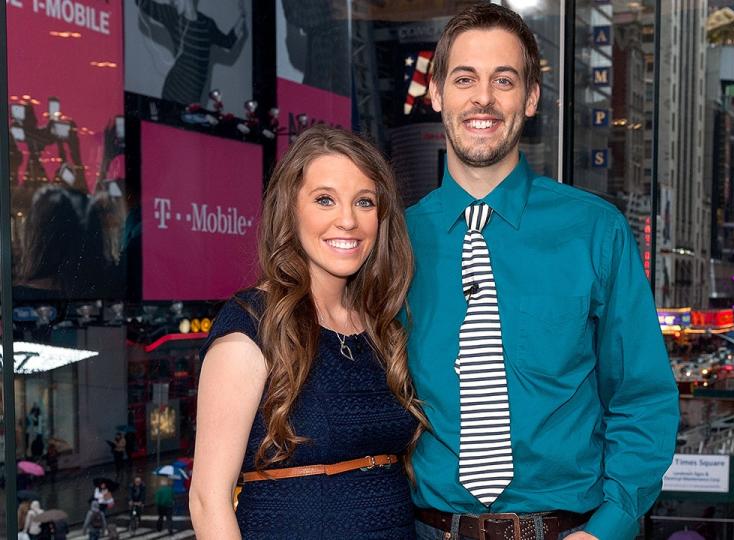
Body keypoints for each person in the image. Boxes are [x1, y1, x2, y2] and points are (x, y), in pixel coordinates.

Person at [405, 5, 680, 540]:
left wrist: (609, 528)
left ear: (530, 98)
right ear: (436, 92)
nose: (483, 98)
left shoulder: (595, 231)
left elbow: (641, 397)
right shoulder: (394, 241)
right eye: (465, 79)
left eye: (503, 80)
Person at [189, 125, 426, 539]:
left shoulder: (381, 326)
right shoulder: (254, 326)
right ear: (290, 211)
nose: (348, 220)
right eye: (324, 200)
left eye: (364, 202)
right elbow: (209, 500)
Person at [134, 0, 247, 106]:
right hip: (173, 93)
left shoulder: (207, 24)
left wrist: (242, 16)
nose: (173, 2)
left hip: (193, 97)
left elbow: (228, 42)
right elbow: (143, 3)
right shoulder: (173, 16)